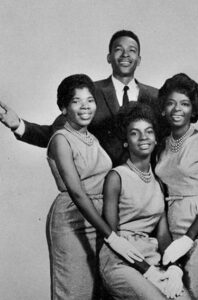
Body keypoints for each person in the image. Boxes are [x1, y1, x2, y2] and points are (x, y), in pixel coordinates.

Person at [0, 30, 198, 166]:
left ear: (139, 59)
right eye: (118, 49)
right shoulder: (90, 94)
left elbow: (177, 138)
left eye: (132, 51)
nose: (125, 55)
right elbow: (58, 132)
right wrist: (19, 125)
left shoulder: (156, 96)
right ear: (109, 57)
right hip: (101, 189)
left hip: (147, 188)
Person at [41, 74, 144, 300]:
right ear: (64, 108)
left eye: (90, 100)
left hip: (100, 218)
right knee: (75, 292)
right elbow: (77, 192)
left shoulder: (91, 137)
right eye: (76, 101)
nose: (85, 107)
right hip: (73, 218)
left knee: (102, 292)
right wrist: (112, 236)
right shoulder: (61, 139)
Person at [99, 102, 192, 300]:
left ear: (156, 139)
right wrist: (148, 271)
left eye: (149, 131)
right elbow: (112, 234)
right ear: (125, 141)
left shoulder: (158, 182)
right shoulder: (116, 177)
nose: (143, 138)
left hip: (152, 259)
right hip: (120, 261)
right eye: (135, 133)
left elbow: (163, 234)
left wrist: (174, 267)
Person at [155, 73, 198, 300]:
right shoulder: (161, 145)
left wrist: (188, 238)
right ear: (163, 109)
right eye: (171, 103)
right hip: (168, 230)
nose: (177, 109)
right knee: (169, 296)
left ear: (193, 110)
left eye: (184, 104)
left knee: (192, 296)